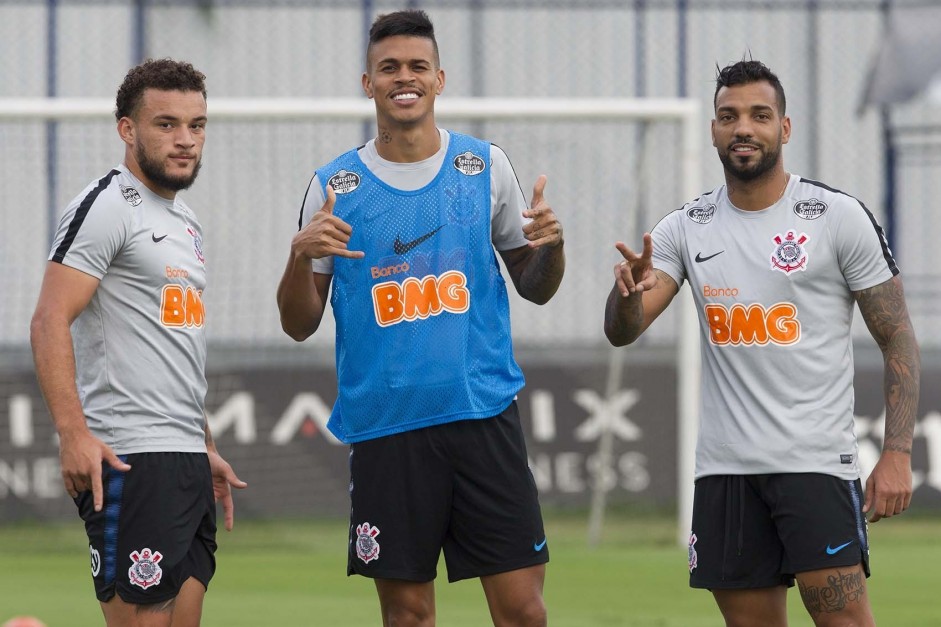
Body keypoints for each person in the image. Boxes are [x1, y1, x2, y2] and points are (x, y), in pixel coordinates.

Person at [604, 59, 920, 627]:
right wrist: (627, 294)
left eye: (759, 115)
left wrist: (896, 453)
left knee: (844, 620)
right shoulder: (685, 227)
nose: (743, 127)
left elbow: (897, 337)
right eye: (729, 116)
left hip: (816, 465)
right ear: (714, 130)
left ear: (785, 128)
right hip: (726, 472)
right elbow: (625, 330)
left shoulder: (836, 217)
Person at [276, 10, 564, 627]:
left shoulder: (485, 167)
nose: (403, 78)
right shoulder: (334, 185)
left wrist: (553, 248)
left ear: (439, 79)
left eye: (416, 67)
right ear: (367, 82)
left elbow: (536, 287)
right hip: (387, 429)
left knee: (524, 611)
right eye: (389, 68)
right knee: (406, 615)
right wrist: (300, 257)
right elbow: (299, 323)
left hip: (482, 415)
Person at [30, 58, 246, 627]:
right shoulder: (105, 206)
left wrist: (202, 444)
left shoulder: (187, 223)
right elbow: (50, 319)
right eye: (166, 124)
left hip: (184, 458)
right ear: (127, 129)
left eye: (196, 126)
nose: (185, 140)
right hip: (129, 454)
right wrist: (73, 433)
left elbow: (174, 345)